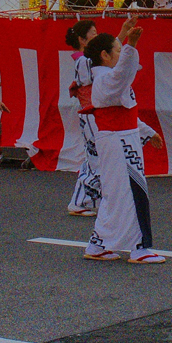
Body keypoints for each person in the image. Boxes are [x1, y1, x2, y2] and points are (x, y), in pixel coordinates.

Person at [82, 18, 165, 262]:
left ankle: (98, 244)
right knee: (133, 190)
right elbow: (124, 71)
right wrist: (132, 44)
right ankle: (140, 246)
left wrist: (148, 132)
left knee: (115, 193)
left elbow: (127, 112)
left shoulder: (105, 77)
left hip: (119, 138)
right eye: (117, 49)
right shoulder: (107, 79)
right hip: (119, 141)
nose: (122, 51)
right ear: (105, 56)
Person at [65, 20, 101, 216]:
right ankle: (80, 201)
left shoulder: (87, 59)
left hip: (95, 113)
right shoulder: (83, 61)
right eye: (93, 34)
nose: (97, 36)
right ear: (82, 39)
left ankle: (88, 200)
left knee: (94, 157)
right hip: (91, 114)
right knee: (97, 157)